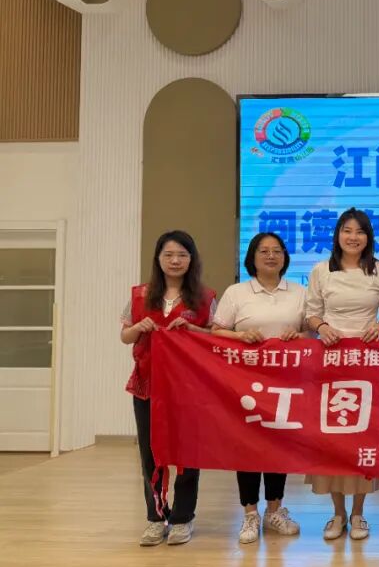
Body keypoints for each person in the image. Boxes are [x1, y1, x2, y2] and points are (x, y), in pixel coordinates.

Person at [120, 230, 216, 547]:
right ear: (158, 259)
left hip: (189, 388)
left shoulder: (205, 297)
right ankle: (156, 517)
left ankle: (182, 518)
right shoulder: (140, 295)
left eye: (182, 255)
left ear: (192, 259)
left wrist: (193, 329)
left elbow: (216, 336)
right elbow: (125, 336)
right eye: (169, 255)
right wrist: (138, 327)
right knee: (151, 455)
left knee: (187, 454)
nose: (175, 261)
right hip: (147, 386)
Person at [304, 209, 379, 541]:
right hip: (329, 362)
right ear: (337, 235)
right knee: (333, 437)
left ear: (368, 237)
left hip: (367, 362)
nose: (353, 237)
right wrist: (322, 327)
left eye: (360, 231)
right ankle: (337, 513)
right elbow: (311, 313)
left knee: (363, 437)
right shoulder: (321, 270)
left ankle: (358, 513)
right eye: (347, 230)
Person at [212, 232, 305, 544]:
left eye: (277, 251)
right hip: (245, 384)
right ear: (252, 257)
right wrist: (240, 336)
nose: (271, 256)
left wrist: (299, 336)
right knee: (248, 446)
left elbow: (312, 334)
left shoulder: (299, 292)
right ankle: (250, 513)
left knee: (279, 445)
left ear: (285, 257)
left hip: (285, 385)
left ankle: (275, 510)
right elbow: (216, 332)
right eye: (263, 251)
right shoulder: (237, 292)